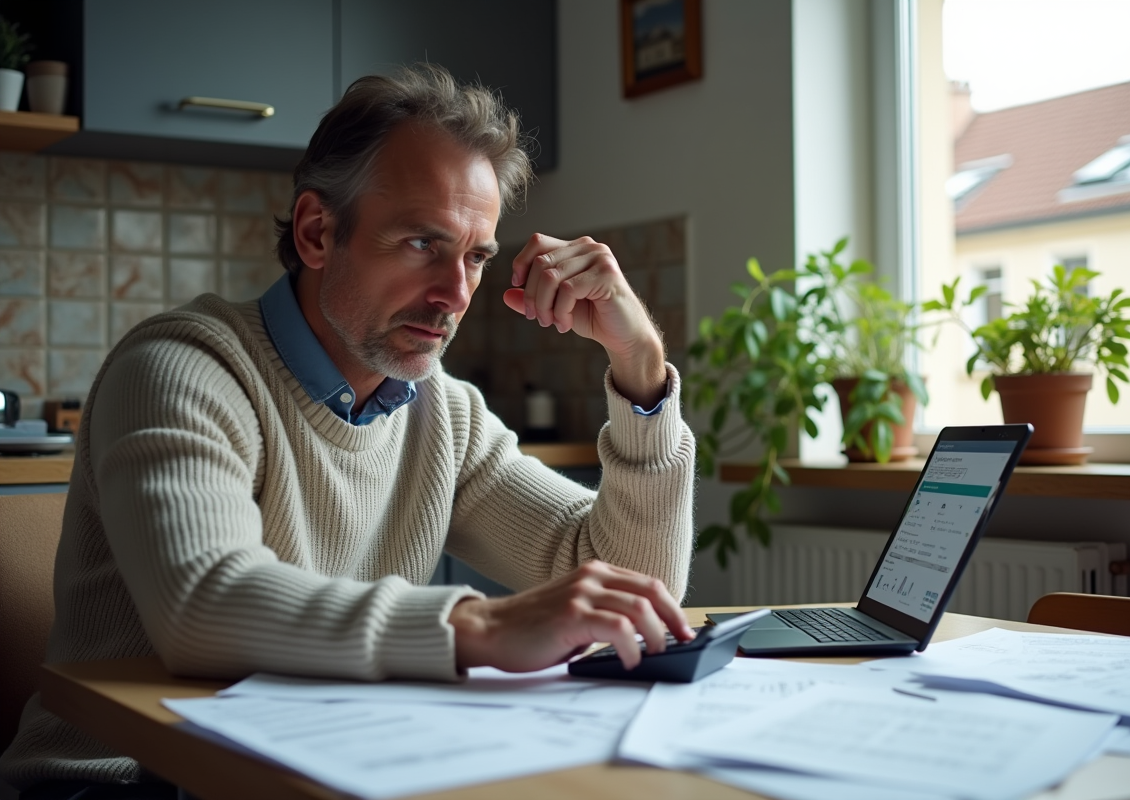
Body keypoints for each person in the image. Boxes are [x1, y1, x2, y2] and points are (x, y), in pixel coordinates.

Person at [1, 64, 695, 798]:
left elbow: (637, 589)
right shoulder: (181, 368)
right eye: (422, 244)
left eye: (476, 256)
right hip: (118, 783)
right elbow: (202, 607)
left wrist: (639, 365)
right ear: (316, 232)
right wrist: (480, 626)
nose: (455, 294)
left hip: (314, 772)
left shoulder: (443, 413)